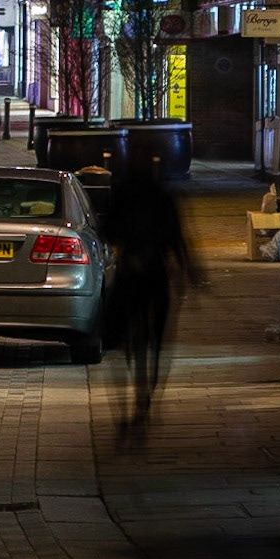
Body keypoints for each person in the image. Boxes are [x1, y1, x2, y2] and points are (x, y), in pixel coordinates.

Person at [102, 171, 196, 436]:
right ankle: (143, 402)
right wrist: (188, 270)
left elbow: (108, 230)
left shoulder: (124, 192)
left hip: (132, 275)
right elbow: (177, 237)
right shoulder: (162, 194)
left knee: (124, 344)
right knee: (153, 344)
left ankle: (134, 406)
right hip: (154, 276)